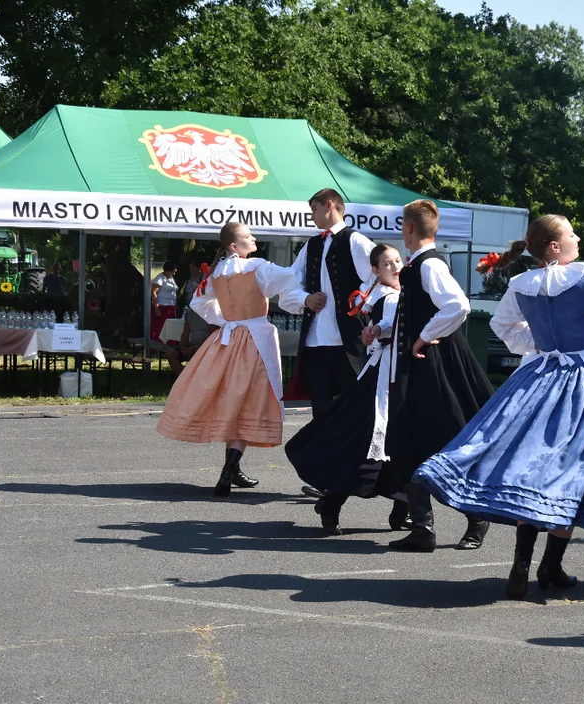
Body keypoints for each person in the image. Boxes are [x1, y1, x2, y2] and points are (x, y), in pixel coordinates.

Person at [413, 215, 584, 599]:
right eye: (571, 233)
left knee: (531, 469)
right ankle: (551, 564)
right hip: (583, 379)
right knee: (573, 471)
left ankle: (522, 565)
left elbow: (504, 326)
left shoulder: (522, 283)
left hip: (539, 375)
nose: (579, 237)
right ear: (556, 247)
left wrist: (540, 343)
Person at [156, 223, 307, 497]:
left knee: (232, 398)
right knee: (248, 401)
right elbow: (291, 276)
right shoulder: (257, 267)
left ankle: (232, 469)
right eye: (249, 236)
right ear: (235, 246)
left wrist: (225, 319)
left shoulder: (216, 273)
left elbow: (198, 303)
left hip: (227, 338)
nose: (255, 238)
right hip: (255, 339)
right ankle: (230, 469)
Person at [384, 199, 493, 553]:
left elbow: (458, 305)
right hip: (419, 364)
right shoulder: (417, 265)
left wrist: (424, 335)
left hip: (436, 364)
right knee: (413, 437)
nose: (402, 231)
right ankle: (422, 528)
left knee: (444, 436)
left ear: (410, 228)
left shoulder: (429, 265)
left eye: (403, 225)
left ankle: (477, 517)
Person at [285, 244, 411, 535]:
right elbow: (389, 324)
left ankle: (402, 508)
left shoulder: (392, 293)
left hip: (394, 374)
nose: (395, 266)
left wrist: (374, 333)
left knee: (398, 442)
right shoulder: (388, 295)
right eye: (387, 264)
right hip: (382, 378)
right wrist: (377, 331)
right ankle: (333, 502)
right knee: (365, 443)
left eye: (397, 261)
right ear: (376, 271)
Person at [284, 189, 376, 421]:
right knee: (321, 410)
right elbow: (288, 285)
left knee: (355, 406)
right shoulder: (311, 245)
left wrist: (357, 299)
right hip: (316, 342)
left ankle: (355, 455)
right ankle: (323, 456)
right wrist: (306, 299)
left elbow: (379, 276)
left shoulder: (355, 240)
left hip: (347, 340)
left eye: (314, 210)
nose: (312, 216)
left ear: (330, 205)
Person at [151, 260, 179, 343]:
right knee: (161, 327)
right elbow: (154, 293)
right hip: (162, 306)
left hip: (171, 306)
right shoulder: (160, 278)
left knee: (170, 328)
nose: (176, 270)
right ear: (170, 269)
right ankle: (159, 345)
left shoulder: (171, 278)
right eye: (175, 268)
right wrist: (157, 308)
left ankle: (169, 344)